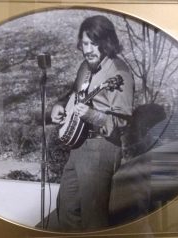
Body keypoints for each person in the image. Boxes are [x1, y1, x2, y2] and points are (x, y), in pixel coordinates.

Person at [50, 15, 134, 232]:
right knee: (66, 209)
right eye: (85, 43)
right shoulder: (85, 67)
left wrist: (91, 114)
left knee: (93, 218)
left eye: (94, 43)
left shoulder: (118, 72)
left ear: (107, 43)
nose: (88, 49)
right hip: (78, 147)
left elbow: (123, 120)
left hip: (102, 147)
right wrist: (59, 106)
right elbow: (73, 94)